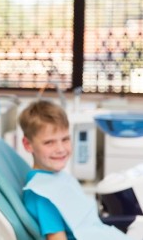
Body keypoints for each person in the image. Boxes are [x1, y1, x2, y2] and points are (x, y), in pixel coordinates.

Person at [19, 99, 131, 240]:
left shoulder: (55, 177)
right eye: (49, 142)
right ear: (28, 145)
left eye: (65, 139)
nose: (60, 149)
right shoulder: (42, 196)